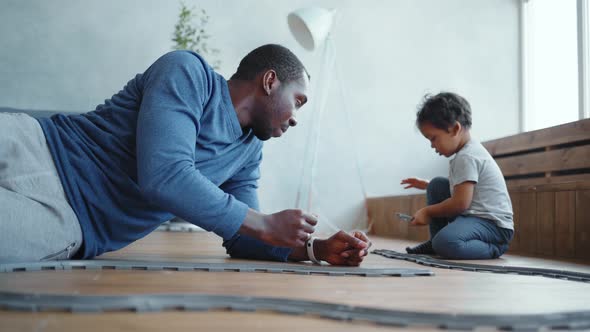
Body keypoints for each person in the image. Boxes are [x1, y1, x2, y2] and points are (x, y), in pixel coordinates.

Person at [0, 44, 370, 265]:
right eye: (298, 102)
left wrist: (314, 248)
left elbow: (244, 236)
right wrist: (267, 223)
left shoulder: (248, 153)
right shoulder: (188, 72)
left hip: (71, 221)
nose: (294, 120)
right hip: (36, 145)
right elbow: (164, 175)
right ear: (270, 81)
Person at [400, 92, 513, 259]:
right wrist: (427, 185)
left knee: (445, 243)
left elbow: (460, 203)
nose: (432, 145)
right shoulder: (466, 152)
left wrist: (428, 212)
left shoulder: (467, 156)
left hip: (493, 227)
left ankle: (493, 248)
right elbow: (462, 187)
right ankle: (436, 242)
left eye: (434, 138)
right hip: (475, 218)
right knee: (436, 184)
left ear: (455, 129)